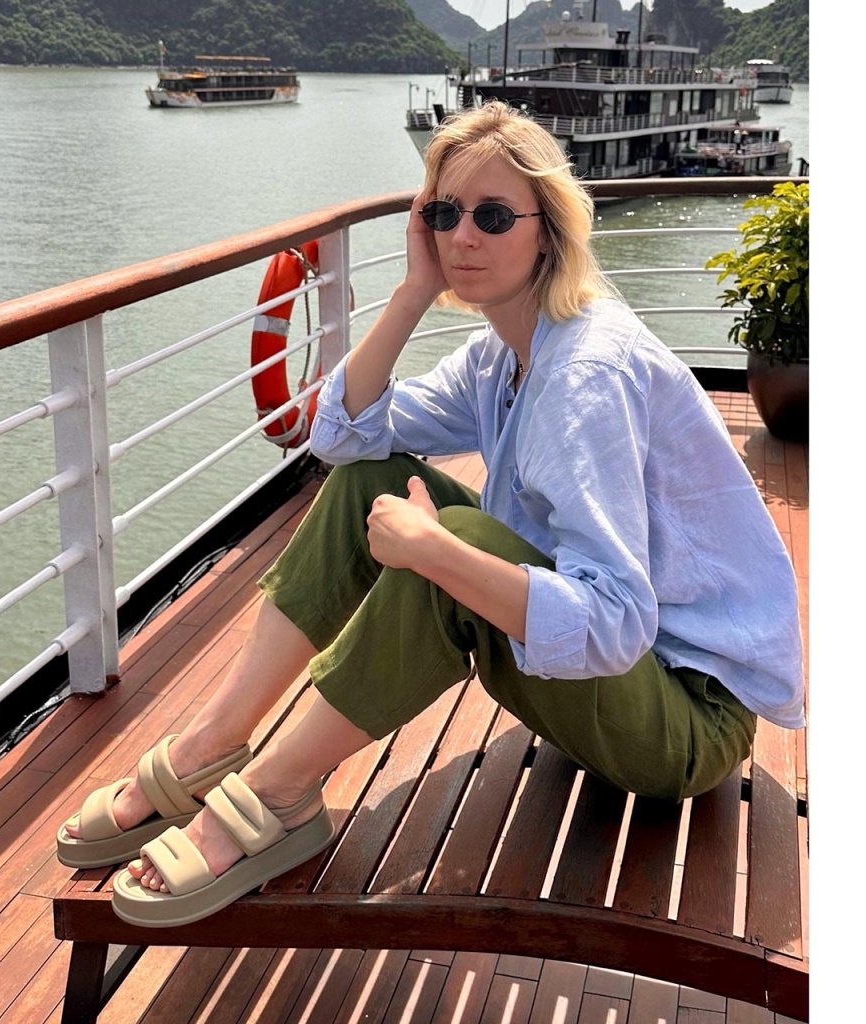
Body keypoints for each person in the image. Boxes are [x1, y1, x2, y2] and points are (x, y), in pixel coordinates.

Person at [57, 101, 804, 928]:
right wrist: (414, 291)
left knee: (447, 542)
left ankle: (275, 792)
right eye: (444, 214)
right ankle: (212, 744)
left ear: (548, 230)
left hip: (683, 723)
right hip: (624, 678)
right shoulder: (503, 355)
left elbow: (618, 622)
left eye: (493, 216)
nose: (463, 238)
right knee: (372, 482)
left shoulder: (584, 376)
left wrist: (436, 554)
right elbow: (343, 438)